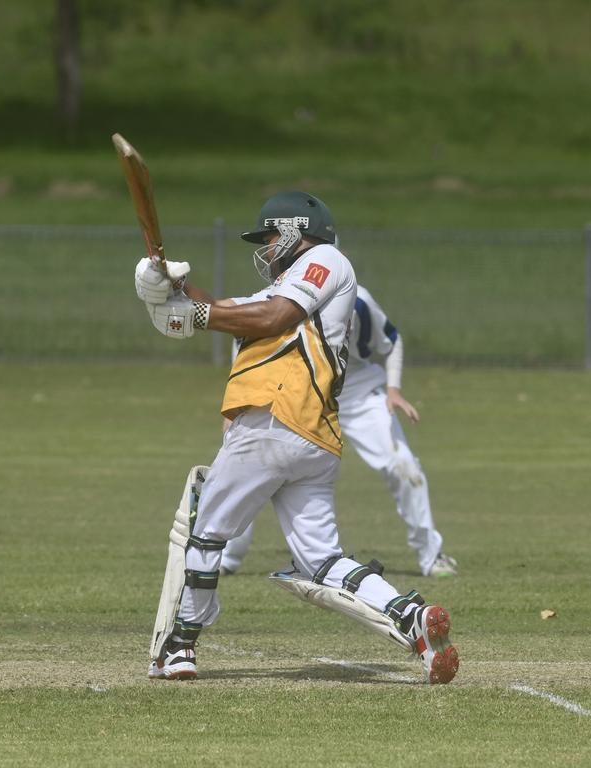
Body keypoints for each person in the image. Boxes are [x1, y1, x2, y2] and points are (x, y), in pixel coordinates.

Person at [134, 190, 459, 684]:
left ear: (294, 230)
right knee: (322, 560)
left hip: (271, 420)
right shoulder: (281, 289)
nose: (265, 248)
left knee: (206, 532)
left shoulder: (325, 259)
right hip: (313, 438)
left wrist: (194, 315)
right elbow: (227, 308)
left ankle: (180, 647)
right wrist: (167, 287)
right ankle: (410, 616)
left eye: (269, 237)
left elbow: (273, 319)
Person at [219, 280, 457, 578]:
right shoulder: (271, 301)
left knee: (403, 464)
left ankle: (431, 556)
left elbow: (391, 339)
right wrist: (237, 408)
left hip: (356, 390)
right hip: (297, 391)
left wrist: (393, 389)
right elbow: (244, 352)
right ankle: (225, 555)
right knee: (251, 463)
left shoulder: (358, 300)